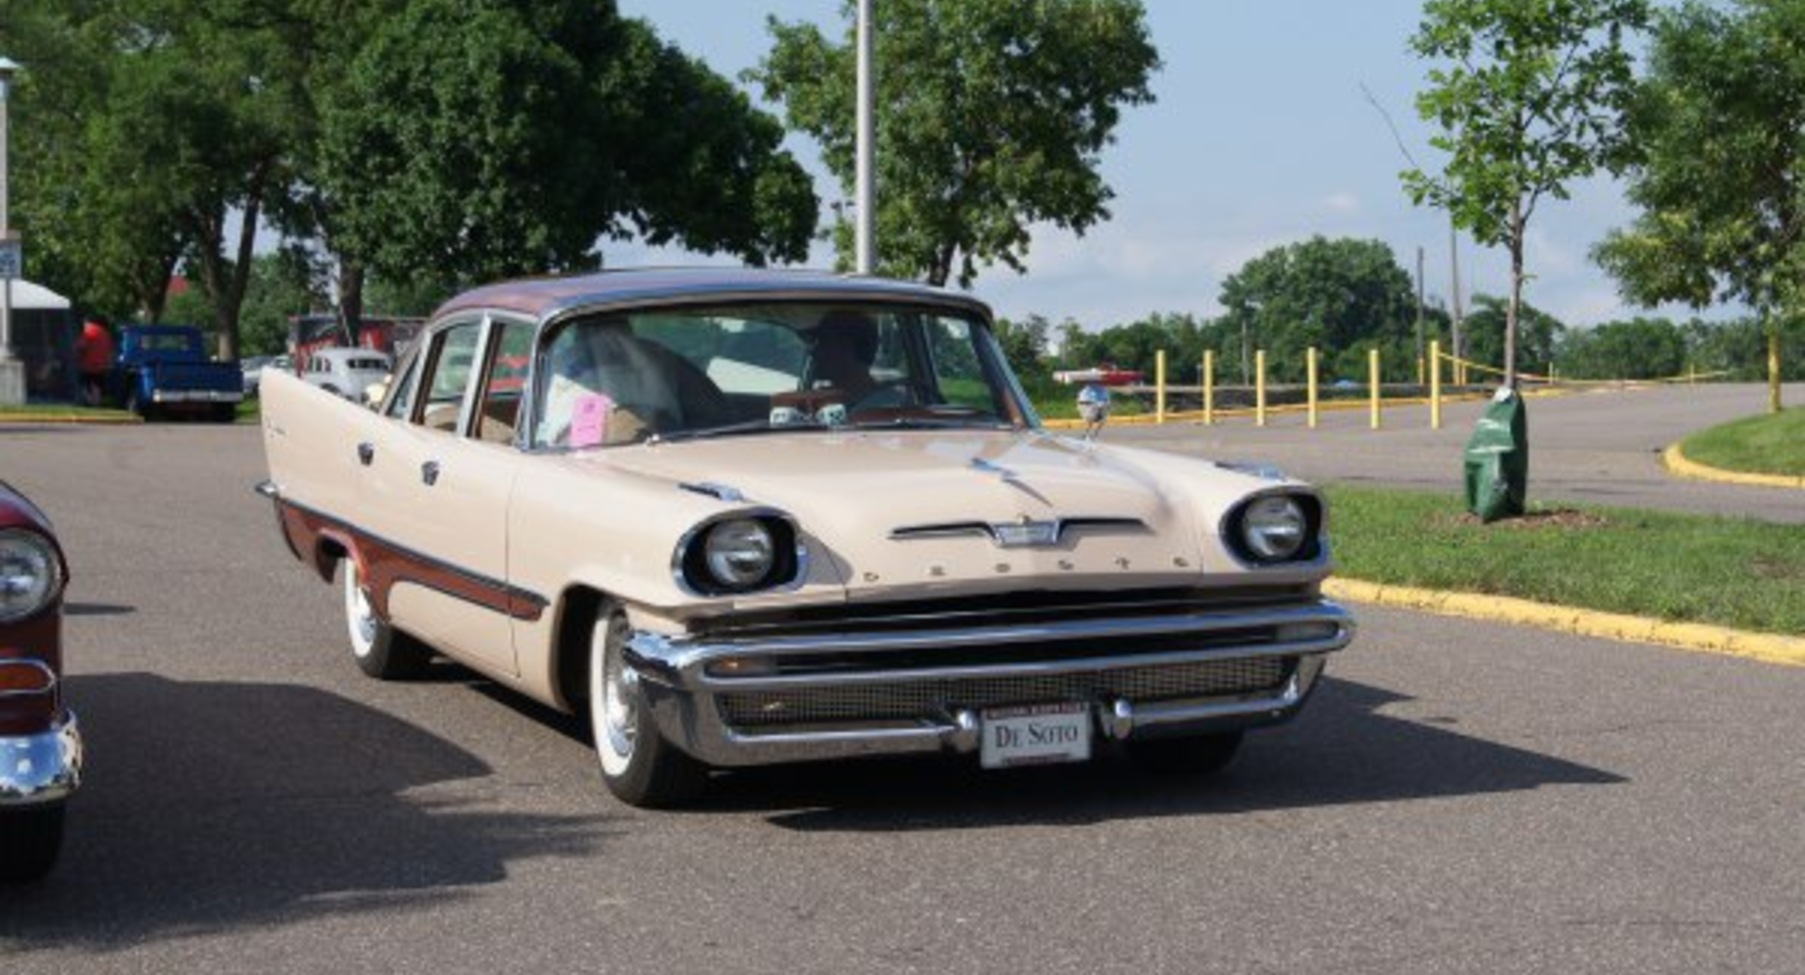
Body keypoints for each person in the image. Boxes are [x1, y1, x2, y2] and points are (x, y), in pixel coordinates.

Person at [75, 315, 115, 407]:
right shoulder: (105, 333)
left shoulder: (88, 332)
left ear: (88, 322)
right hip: (101, 365)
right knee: (97, 384)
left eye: (84, 323)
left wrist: (76, 356)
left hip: (87, 364)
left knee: (83, 383)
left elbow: (81, 347)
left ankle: (89, 401)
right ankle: (97, 402)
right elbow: (110, 350)